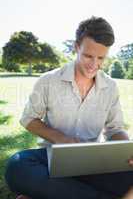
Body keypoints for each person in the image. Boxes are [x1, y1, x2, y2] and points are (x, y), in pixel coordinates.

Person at [5, 16, 133, 199]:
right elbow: (28, 119)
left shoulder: (110, 87)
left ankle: (47, 193)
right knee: (17, 166)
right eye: (88, 56)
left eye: (101, 58)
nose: (94, 64)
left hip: (93, 163)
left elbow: (115, 129)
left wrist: (126, 152)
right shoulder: (48, 81)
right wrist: (62, 139)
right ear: (76, 47)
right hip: (50, 159)